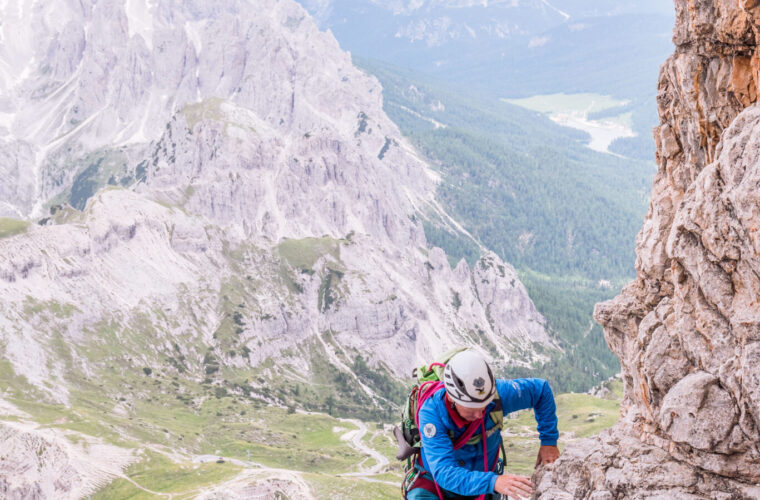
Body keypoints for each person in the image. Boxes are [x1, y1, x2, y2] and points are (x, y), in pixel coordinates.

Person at [407, 350, 560, 500]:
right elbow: (444, 473)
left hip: (482, 485)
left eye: (484, 406)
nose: (480, 415)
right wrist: (493, 482)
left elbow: (540, 390)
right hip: (437, 488)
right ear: (452, 398)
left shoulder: (498, 395)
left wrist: (548, 442)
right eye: (472, 410)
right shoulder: (431, 414)